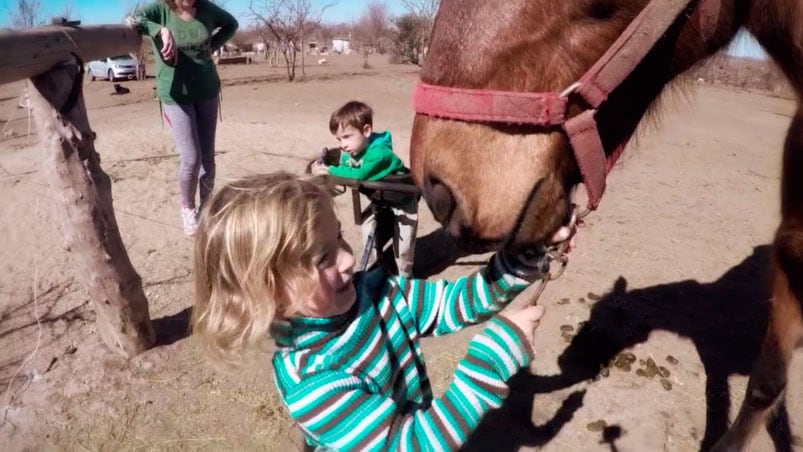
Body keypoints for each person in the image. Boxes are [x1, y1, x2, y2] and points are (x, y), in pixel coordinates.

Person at [192, 172, 576, 451]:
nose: (346, 259)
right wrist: (489, 361)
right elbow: (409, 445)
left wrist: (527, 255)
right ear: (266, 292)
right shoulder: (311, 381)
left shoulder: (376, 292)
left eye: (340, 236)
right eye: (321, 257)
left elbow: (454, 304)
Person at [131, 0, 238, 235]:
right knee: (191, 158)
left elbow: (231, 24)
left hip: (207, 90)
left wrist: (211, 45)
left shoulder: (208, 9)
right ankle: (187, 208)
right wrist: (161, 30)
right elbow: (132, 20)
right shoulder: (159, 9)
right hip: (175, 94)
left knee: (208, 160)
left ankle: (206, 210)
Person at [311, 101, 418, 276]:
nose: (343, 144)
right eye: (339, 139)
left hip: (403, 200)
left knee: (404, 246)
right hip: (380, 197)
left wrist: (328, 170)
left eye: (346, 137)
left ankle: (406, 278)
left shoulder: (380, 154)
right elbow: (345, 161)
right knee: (369, 232)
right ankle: (370, 272)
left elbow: (357, 175)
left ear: (366, 131)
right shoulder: (357, 148)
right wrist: (326, 160)